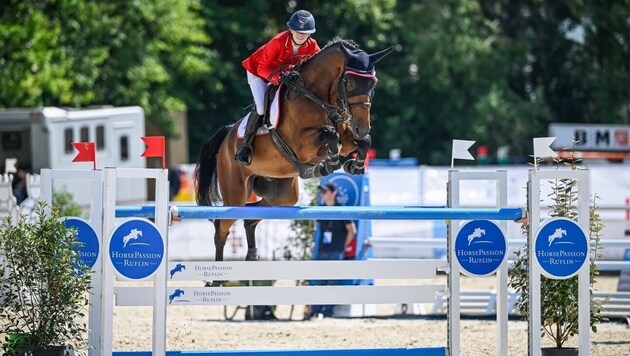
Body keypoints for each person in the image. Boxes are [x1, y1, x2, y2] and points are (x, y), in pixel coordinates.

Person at [235, 10, 321, 166]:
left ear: (310, 34)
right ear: (291, 29)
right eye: (297, 30)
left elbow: (318, 68)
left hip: (284, 76)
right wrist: (278, 78)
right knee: (261, 107)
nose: (301, 35)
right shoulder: (278, 42)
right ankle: (245, 146)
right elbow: (263, 69)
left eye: (305, 32)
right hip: (258, 72)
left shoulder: (312, 46)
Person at [308, 181, 357, 319]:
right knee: (321, 281)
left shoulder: (341, 209)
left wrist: (342, 245)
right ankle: (316, 310)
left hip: (336, 250)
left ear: (334, 193)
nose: (323, 195)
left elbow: (352, 231)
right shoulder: (320, 209)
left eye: (326, 192)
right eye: (322, 192)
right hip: (323, 248)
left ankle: (327, 311)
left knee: (333, 281)